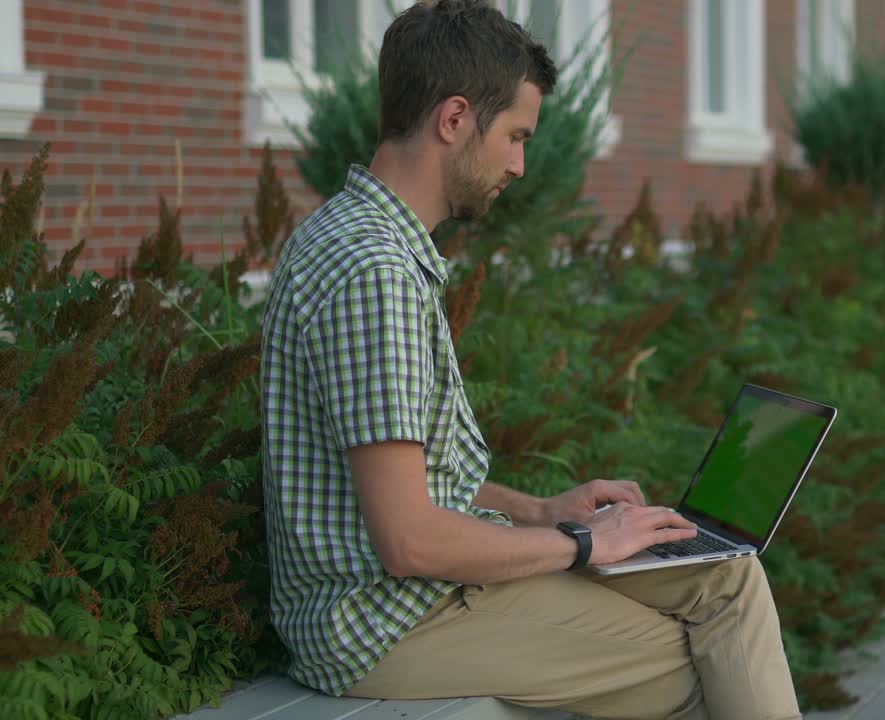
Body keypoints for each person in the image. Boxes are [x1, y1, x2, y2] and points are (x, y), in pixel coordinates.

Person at [258, 2, 800, 718]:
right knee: (695, 655)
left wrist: (538, 509)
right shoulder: (374, 273)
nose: (519, 164)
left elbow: (411, 483)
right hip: (386, 621)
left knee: (727, 579)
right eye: (515, 136)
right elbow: (408, 539)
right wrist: (578, 542)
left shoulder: (357, 238)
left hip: (412, 594)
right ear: (454, 120)